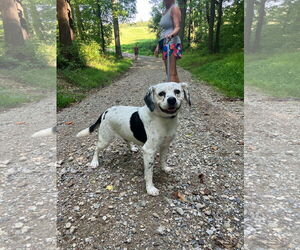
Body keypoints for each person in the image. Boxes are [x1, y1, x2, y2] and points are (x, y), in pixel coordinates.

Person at [154, 0, 182, 83]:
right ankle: (180, 92)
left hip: (172, 43)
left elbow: (177, 27)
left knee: (171, 73)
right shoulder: (164, 12)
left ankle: (173, 94)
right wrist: (158, 46)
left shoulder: (174, 8)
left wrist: (171, 35)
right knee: (169, 73)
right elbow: (163, 31)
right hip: (164, 43)